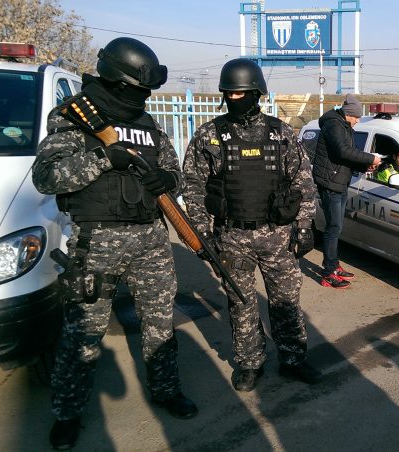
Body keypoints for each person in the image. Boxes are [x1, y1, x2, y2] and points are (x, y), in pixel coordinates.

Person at [32, 37, 198, 450]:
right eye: (138, 89)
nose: (143, 97)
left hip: (151, 239)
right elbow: (47, 177)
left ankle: (166, 390)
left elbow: (174, 171)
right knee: (84, 333)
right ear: (116, 81)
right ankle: (67, 413)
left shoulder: (148, 123)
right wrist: (103, 159)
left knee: (160, 324)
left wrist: (168, 179)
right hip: (97, 240)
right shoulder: (74, 117)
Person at [181, 58, 321, 392]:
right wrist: (201, 233)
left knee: (285, 302)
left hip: (277, 235)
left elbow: (303, 181)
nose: (234, 98)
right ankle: (249, 363)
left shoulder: (281, 132)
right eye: (229, 93)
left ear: (256, 92)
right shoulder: (210, 135)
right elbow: (193, 186)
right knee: (241, 304)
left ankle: (293, 358)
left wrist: (304, 225)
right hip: (232, 236)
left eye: (240, 92)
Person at [312, 94, 381, 288]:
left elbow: (345, 158)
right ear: (348, 114)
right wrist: (370, 158)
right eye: (356, 117)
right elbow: (343, 151)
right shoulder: (334, 125)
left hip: (339, 181)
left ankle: (333, 264)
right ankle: (328, 273)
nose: (358, 120)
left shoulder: (344, 126)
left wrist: (363, 167)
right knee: (333, 227)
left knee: (337, 226)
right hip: (330, 183)